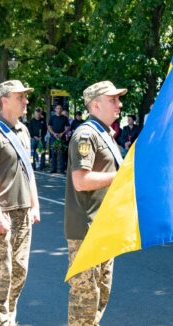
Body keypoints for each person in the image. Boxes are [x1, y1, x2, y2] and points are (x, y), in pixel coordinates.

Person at [0, 80, 41, 325]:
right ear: (4, 100)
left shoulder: (23, 131)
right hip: (1, 213)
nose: (26, 101)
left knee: (19, 273)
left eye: (26, 96)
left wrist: (34, 204)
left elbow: (28, 170)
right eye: (20, 97)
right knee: (0, 278)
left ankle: (8, 320)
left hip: (23, 212)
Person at [64, 81, 127, 324]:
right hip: (86, 230)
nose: (119, 104)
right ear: (96, 104)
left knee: (100, 296)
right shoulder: (86, 135)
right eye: (113, 100)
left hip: (104, 227)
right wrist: (123, 176)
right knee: (85, 300)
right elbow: (81, 180)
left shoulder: (106, 134)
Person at [48, 105, 70, 174]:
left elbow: (68, 127)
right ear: (55, 110)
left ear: (61, 110)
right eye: (57, 108)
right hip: (54, 137)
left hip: (62, 137)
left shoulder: (64, 118)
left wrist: (62, 133)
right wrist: (54, 133)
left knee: (62, 154)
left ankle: (62, 170)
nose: (59, 109)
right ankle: (53, 169)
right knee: (53, 153)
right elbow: (49, 126)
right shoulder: (52, 117)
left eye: (60, 108)